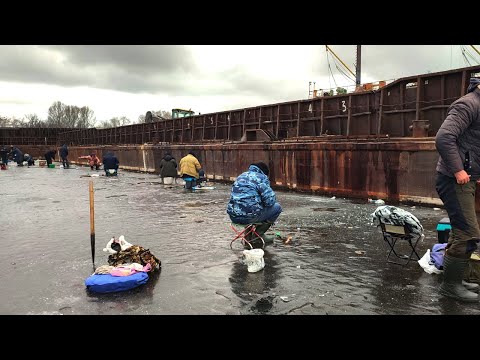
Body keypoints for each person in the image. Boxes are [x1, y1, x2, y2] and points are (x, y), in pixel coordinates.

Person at [435, 77, 480, 302]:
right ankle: (450, 288)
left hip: (466, 179)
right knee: (468, 233)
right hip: (454, 180)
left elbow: (473, 145)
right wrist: (459, 170)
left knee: (459, 230)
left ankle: (454, 279)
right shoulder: (468, 104)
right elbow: (444, 137)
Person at [226, 162, 282, 249]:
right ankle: (258, 235)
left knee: (249, 208)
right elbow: (270, 201)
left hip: (233, 216)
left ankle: (248, 237)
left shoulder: (241, 176)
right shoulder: (261, 178)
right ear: (264, 173)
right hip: (250, 217)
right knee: (277, 208)